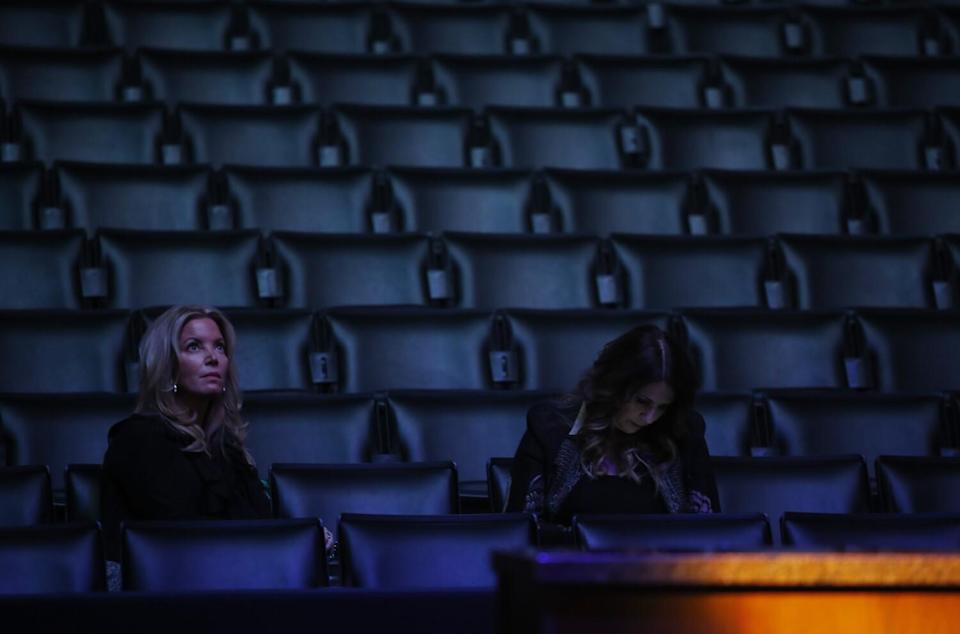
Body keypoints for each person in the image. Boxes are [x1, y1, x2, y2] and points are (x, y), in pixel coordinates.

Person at [100, 305, 272, 567]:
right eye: (194, 346)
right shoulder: (139, 439)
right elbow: (183, 537)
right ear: (167, 366)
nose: (213, 357)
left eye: (219, 347)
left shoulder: (225, 446)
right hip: (164, 589)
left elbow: (262, 526)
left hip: (229, 577)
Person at [506, 324, 719, 527]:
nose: (650, 418)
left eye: (662, 407)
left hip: (662, 564)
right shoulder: (549, 428)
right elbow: (521, 530)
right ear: (613, 387)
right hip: (570, 562)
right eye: (641, 401)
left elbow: (708, 532)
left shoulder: (684, 431)